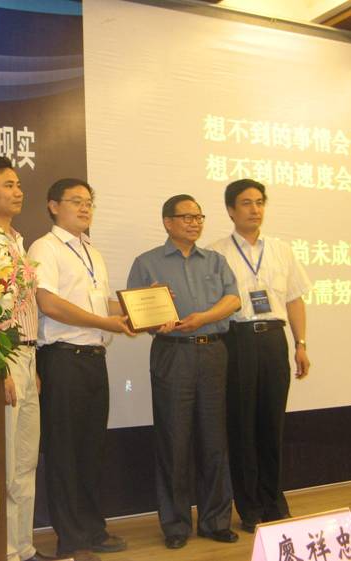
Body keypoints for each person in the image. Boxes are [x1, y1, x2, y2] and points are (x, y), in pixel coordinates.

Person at [27, 178, 133, 561]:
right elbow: (49, 303)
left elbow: (99, 304)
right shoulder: (45, 247)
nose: (85, 208)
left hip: (92, 360)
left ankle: (92, 530)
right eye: (76, 201)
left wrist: (140, 308)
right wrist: (105, 322)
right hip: (62, 360)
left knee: (90, 450)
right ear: (53, 205)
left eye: (89, 202)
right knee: (65, 453)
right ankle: (71, 540)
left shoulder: (92, 252)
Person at [127, 194, 240, 549]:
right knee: (173, 439)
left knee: (214, 440)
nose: (195, 223)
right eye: (187, 217)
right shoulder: (147, 262)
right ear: (168, 222)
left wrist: (203, 318)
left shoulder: (216, 260)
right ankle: (175, 525)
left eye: (199, 217)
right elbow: (136, 314)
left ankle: (215, 521)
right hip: (172, 353)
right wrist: (152, 321)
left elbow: (233, 299)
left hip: (213, 352)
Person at [209, 179, 312, 533]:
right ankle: (250, 507)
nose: (255, 209)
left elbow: (295, 299)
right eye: (246, 203)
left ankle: (274, 503)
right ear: (230, 210)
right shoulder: (216, 253)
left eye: (259, 202)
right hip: (237, 341)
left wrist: (301, 344)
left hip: (273, 340)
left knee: (272, 424)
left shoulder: (281, 249)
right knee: (241, 426)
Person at [0, 157, 50, 561]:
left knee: (25, 462)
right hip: (0, 357)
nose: (18, 192)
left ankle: (24, 548)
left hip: (27, 355)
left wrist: (31, 363)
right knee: (4, 463)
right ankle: (3, 552)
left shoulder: (17, 240)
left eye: (19, 184)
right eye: (8, 185)